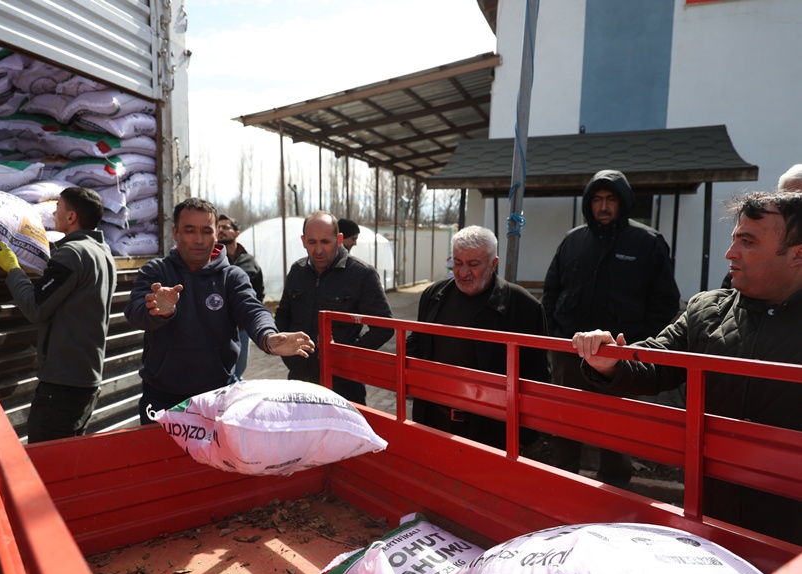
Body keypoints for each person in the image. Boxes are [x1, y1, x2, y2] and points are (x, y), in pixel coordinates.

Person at [572, 190, 802, 544]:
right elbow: (655, 362)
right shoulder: (707, 310)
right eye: (734, 239)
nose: (730, 253)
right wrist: (610, 361)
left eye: (748, 242)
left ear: (797, 255)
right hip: (710, 516)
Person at [542, 169, 680, 486]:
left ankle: (615, 489)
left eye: (611, 199)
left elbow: (665, 301)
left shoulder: (647, 243)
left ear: (624, 202)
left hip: (621, 357)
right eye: (597, 200)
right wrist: (555, 335)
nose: (603, 207)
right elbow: (551, 292)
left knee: (617, 427)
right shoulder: (572, 241)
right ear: (588, 204)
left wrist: (637, 345)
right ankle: (562, 482)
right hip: (570, 352)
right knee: (566, 421)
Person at [124, 198, 313, 424]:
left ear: (216, 234)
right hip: (162, 397)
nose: (198, 239)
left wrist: (269, 337)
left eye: (206, 231)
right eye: (189, 230)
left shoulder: (232, 276)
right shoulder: (156, 271)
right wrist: (159, 310)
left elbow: (253, 310)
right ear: (175, 233)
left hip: (217, 397)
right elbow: (134, 312)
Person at [0, 187, 116, 443]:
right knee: (68, 459)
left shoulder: (72, 253)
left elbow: (35, 308)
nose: (53, 213)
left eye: (58, 208)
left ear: (71, 217)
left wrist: (13, 268)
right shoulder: (103, 253)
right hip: (86, 381)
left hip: (63, 385)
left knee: (45, 459)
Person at [408, 226, 550, 450]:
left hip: (492, 429)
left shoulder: (524, 306)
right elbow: (416, 343)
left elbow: (537, 373)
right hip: (434, 420)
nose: (463, 272)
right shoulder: (434, 295)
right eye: (457, 263)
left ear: (493, 263)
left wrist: (523, 436)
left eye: (473, 264)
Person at [275, 210, 393, 404]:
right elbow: (283, 314)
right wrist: (286, 350)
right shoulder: (298, 271)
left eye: (325, 242)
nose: (318, 250)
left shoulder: (361, 275)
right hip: (299, 382)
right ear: (303, 241)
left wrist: (346, 356)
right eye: (312, 242)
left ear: (338, 240)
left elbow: (384, 326)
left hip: (343, 387)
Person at [216, 214, 264, 382]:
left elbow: (258, 292)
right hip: (217, 329)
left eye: (225, 227)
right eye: (218, 227)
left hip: (242, 329)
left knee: (238, 372)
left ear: (237, 233)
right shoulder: (211, 261)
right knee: (221, 375)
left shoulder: (249, 261)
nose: (220, 230)